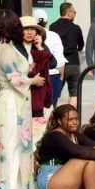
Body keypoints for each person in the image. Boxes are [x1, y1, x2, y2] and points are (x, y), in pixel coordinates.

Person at [0, 9, 45, 189]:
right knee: (10, 147)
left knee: (21, 146)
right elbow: (16, 80)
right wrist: (33, 79)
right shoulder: (6, 49)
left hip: (16, 102)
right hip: (11, 102)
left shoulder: (2, 47)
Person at [18, 15, 56, 148]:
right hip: (21, 94)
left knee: (38, 134)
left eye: (32, 29)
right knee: (23, 134)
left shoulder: (40, 47)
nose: (29, 32)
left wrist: (40, 47)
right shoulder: (16, 48)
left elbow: (53, 63)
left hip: (39, 96)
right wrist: (31, 80)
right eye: (26, 29)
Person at [50, 2, 85, 107]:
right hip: (73, 64)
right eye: (74, 12)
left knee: (54, 93)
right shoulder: (76, 28)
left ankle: (53, 118)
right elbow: (81, 45)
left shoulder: (52, 27)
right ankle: (71, 117)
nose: (75, 14)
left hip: (58, 65)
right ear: (69, 13)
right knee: (74, 94)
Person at [33, 9, 67, 106]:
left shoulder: (31, 37)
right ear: (46, 22)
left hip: (36, 76)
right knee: (51, 109)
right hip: (53, 75)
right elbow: (60, 58)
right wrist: (61, 74)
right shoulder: (54, 35)